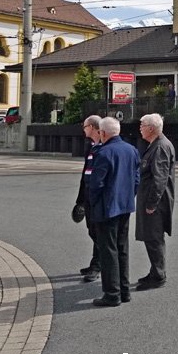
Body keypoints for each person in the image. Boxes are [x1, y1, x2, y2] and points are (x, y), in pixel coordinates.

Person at [88, 117, 140, 307]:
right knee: (122, 248)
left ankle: (112, 294)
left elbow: (96, 184)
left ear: (103, 133)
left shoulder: (103, 153)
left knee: (108, 251)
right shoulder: (131, 150)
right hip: (125, 206)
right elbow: (136, 179)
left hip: (106, 208)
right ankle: (124, 290)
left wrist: (93, 203)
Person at [135, 113, 176, 291]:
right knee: (152, 237)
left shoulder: (160, 147)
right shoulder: (157, 144)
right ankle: (155, 271)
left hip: (156, 203)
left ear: (151, 128)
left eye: (142, 125)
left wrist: (151, 204)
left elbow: (159, 178)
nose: (140, 128)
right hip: (154, 200)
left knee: (154, 237)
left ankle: (158, 275)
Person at [76, 115, 102, 282]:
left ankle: (98, 266)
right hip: (88, 197)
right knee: (92, 231)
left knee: (97, 233)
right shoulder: (91, 146)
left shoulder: (102, 147)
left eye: (85, 126)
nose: (83, 129)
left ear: (92, 127)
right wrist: (80, 200)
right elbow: (85, 175)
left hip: (98, 199)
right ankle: (95, 262)